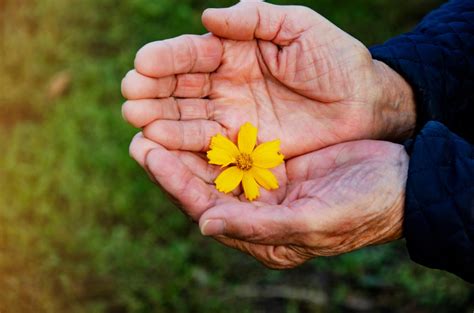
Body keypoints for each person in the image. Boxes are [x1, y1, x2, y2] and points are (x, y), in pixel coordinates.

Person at [121, 0, 473, 282]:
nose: (244, 162)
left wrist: (430, 190)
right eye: (242, 160)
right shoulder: (238, 159)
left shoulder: (254, 166)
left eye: (245, 161)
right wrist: (389, 93)